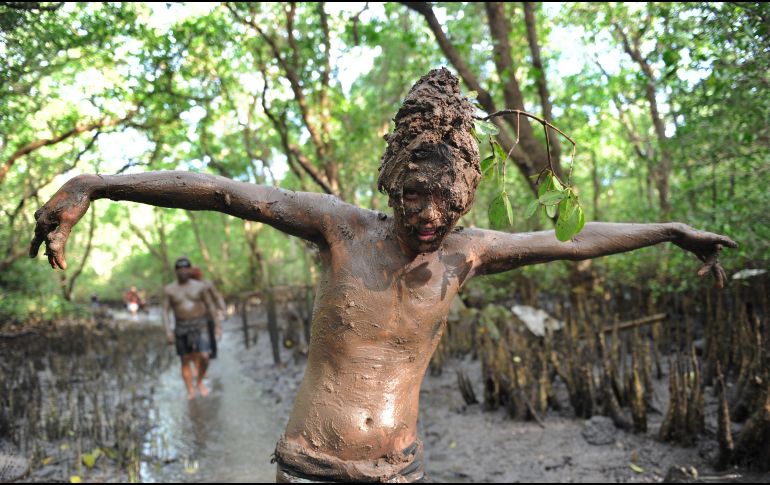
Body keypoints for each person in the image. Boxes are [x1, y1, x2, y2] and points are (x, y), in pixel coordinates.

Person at [29, 68, 736, 482]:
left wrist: (672, 231)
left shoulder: (469, 252)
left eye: (447, 200)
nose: (429, 215)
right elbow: (219, 189)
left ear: (466, 193)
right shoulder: (341, 228)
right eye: (413, 196)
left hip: (401, 471)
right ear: (394, 180)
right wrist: (95, 183)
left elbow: (576, 241)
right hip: (310, 464)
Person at [162, 257, 222, 400]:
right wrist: (168, 331)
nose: (183, 272)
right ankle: (190, 390)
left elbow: (210, 305)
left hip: (199, 325)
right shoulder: (169, 290)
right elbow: (165, 311)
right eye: (180, 269)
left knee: (204, 356)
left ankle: (199, 381)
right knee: (185, 359)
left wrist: (217, 325)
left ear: (190, 270)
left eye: (185, 268)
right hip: (181, 327)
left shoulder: (200, 286)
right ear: (175, 271)